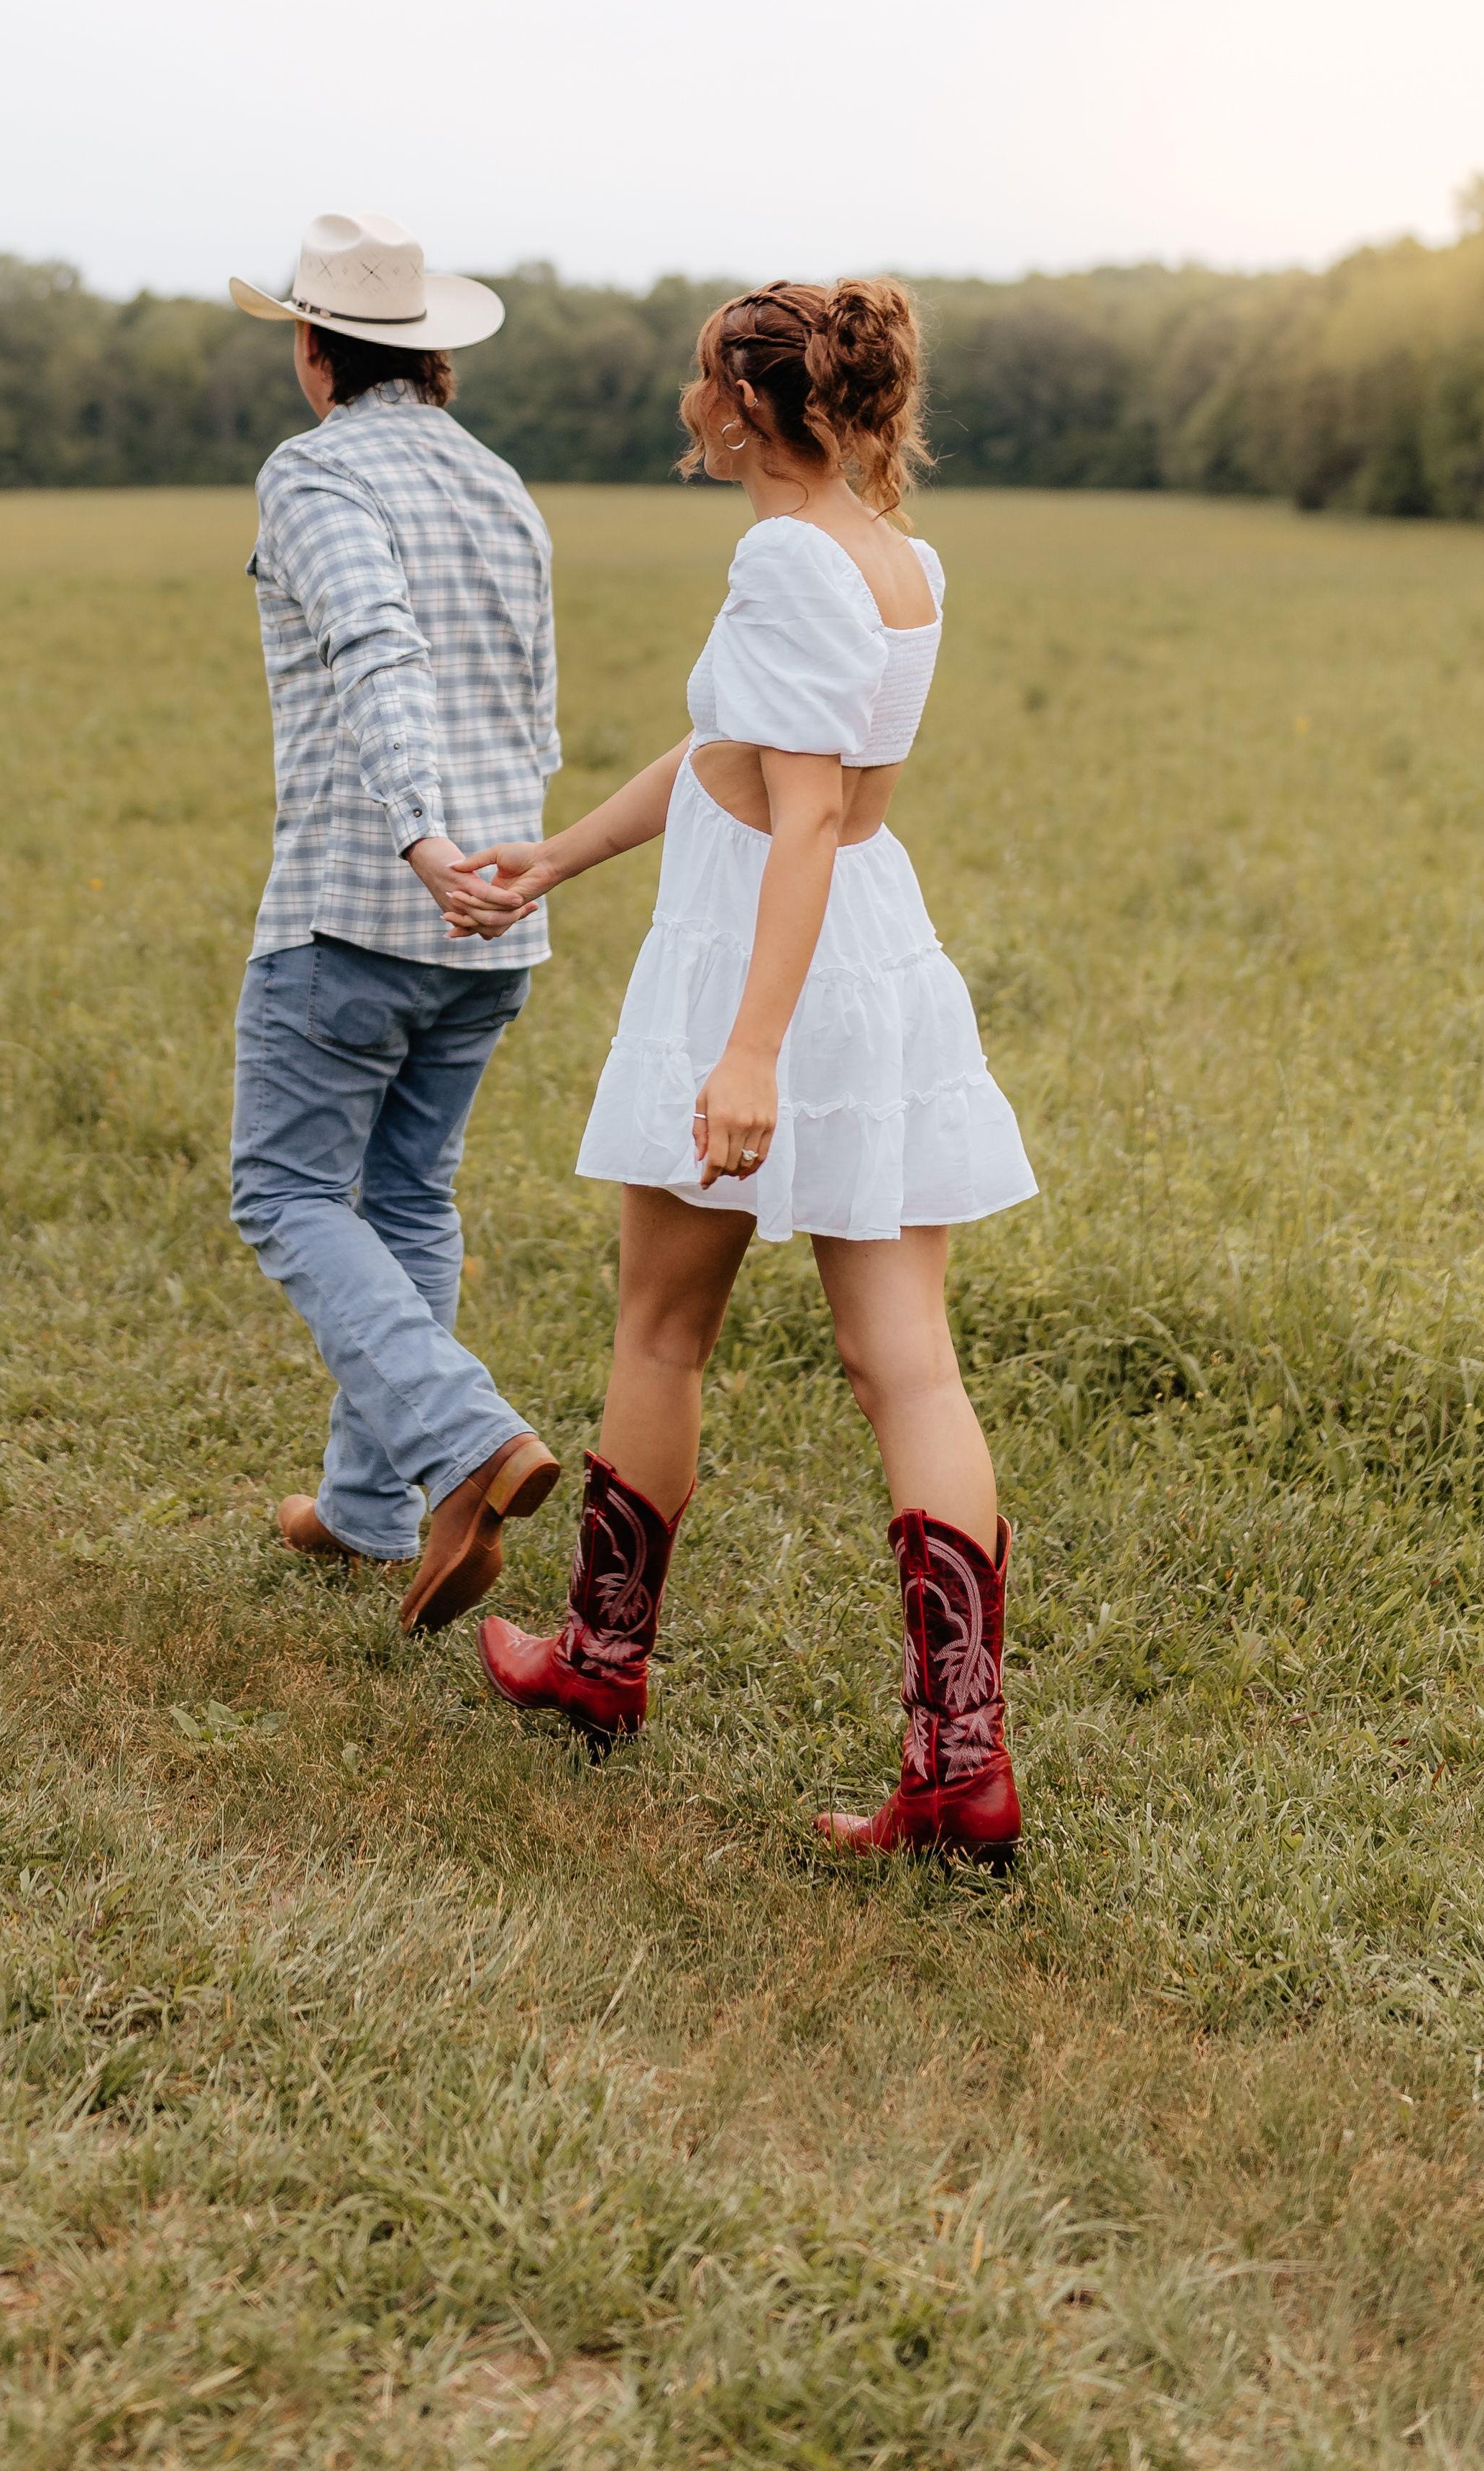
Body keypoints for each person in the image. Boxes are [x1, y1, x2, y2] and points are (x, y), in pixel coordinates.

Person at [460, 280, 1040, 1859]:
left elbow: (799, 817)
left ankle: (597, 1663)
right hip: (872, 963)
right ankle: (960, 1763)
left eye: (701, 383)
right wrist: (556, 858)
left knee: (660, 1327)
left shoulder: (782, 555)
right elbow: (741, 763)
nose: (686, 405)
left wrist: (749, 1055)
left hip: (766, 971)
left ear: (749, 402)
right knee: (906, 1359)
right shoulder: (900, 558)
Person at [221, 209, 567, 1635]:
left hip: (367, 902)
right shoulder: (502, 490)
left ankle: (465, 1440)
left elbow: (377, 647)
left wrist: (420, 837)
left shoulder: (314, 475)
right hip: (498, 920)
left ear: (314, 354)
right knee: (407, 1196)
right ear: (429, 360)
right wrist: (487, 863)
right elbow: (531, 705)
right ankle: (372, 1513)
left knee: (288, 1193)